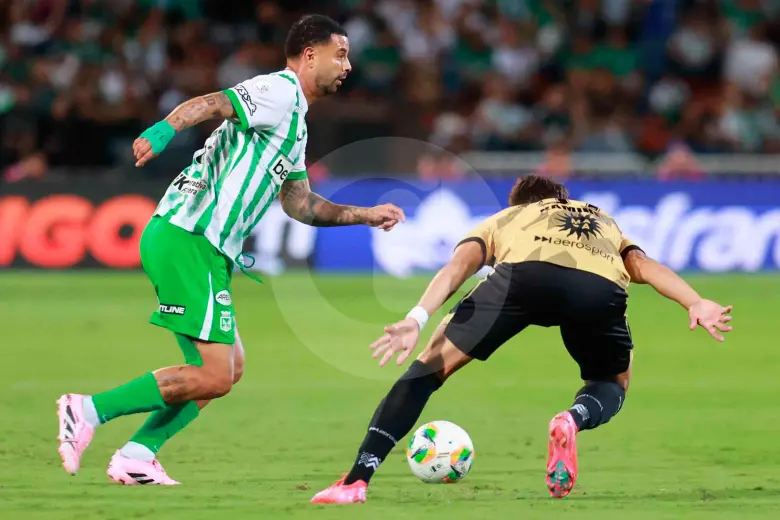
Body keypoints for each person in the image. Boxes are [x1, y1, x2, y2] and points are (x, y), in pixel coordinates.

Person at [56, 14, 405, 486]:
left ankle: (137, 454)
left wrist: (364, 215)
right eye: (339, 54)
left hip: (204, 248)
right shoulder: (280, 91)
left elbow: (300, 203)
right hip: (190, 236)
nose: (347, 65)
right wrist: (164, 130)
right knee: (215, 375)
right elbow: (212, 103)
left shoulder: (295, 124)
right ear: (309, 55)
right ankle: (87, 410)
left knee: (229, 368)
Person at [311, 175, 733, 503]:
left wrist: (416, 318)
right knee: (612, 382)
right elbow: (642, 265)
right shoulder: (603, 220)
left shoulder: (508, 217)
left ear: (519, 204)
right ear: (562, 199)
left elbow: (459, 266)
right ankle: (573, 418)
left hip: (521, 279)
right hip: (597, 289)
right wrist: (694, 301)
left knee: (428, 369)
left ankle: (356, 481)